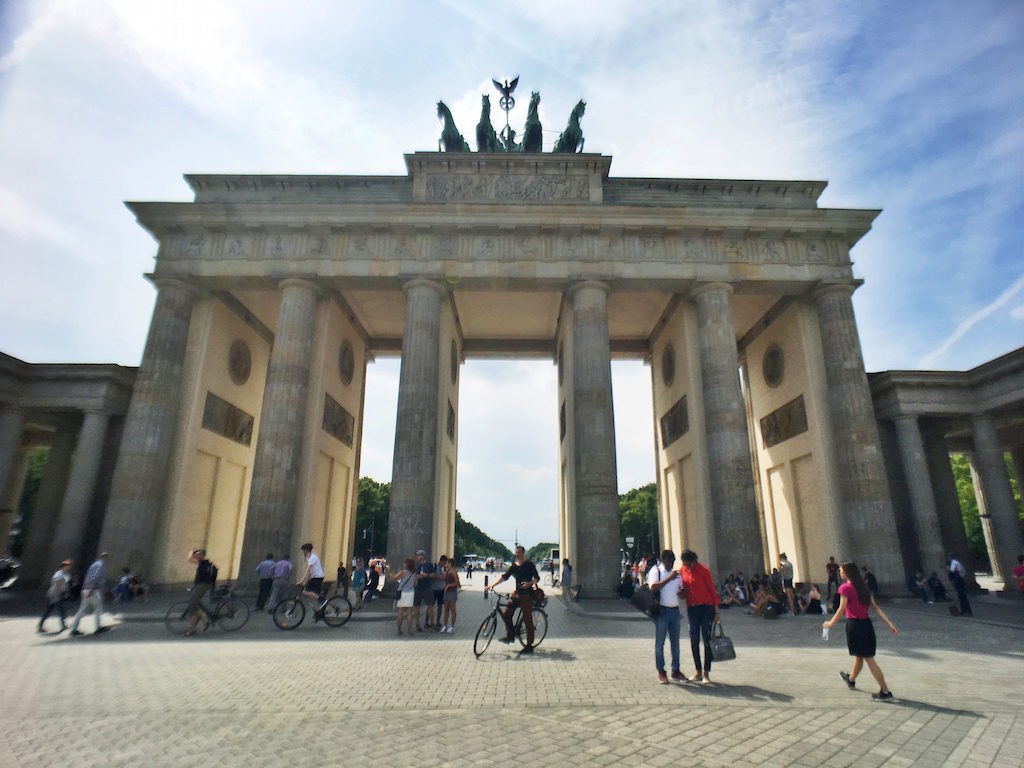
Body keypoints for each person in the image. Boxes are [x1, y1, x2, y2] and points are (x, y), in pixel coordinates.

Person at [823, 560, 898, 700]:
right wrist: (889, 622)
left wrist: (830, 623)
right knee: (860, 655)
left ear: (847, 572)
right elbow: (875, 607)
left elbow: (841, 609)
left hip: (855, 626)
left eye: (841, 570)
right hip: (866, 625)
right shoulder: (864, 587)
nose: (839, 571)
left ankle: (886, 692)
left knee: (869, 659)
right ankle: (851, 679)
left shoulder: (845, 588)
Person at [484, 545, 540, 654]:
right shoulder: (514, 566)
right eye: (516, 552)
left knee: (527, 619)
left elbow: (537, 578)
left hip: (527, 595)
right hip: (517, 594)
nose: (517, 554)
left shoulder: (529, 564)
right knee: (506, 614)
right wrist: (492, 585)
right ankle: (511, 636)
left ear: (523, 553)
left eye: (519, 552)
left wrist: (529, 584)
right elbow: (505, 577)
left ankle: (529, 646)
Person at [679, 549, 720, 683]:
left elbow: (712, 591)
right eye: (685, 564)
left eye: (688, 564)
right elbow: (681, 589)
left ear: (694, 561)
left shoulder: (704, 571)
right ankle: (698, 671)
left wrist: (717, 610)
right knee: (694, 639)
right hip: (692, 608)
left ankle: (707, 672)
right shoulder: (682, 571)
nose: (687, 567)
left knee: (707, 639)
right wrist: (680, 593)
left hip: (706, 608)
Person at [648, 549, 685, 684]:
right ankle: (661, 671)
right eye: (670, 561)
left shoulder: (678, 575)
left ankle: (675, 670)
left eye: (673, 561)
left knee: (675, 643)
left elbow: (681, 592)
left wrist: (682, 593)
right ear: (663, 560)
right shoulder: (656, 571)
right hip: (662, 612)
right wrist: (669, 578)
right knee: (660, 643)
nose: (672, 564)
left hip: (675, 611)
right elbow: (653, 587)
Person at [69, 552, 111, 636]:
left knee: (82, 609)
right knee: (98, 608)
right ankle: (98, 627)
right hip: (93, 590)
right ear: (104, 557)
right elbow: (95, 577)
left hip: (85, 589)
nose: (108, 559)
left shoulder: (93, 565)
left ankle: (73, 629)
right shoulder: (101, 565)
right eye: (107, 557)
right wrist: (91, 589)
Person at [185, 548, 218, 636]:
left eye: (198, 554)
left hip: (202, 585)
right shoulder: (202, 563)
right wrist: (193, 586)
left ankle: (205, 619)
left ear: (202, 555)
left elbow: (189, 559)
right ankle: (193, 628)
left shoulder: (204, 563)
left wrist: (192, 550)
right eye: (196, 554)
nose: (196, 556)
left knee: (192, 603)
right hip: (200, 585)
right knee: (196, 605)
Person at [39, 559, 72, 633]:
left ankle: (63, 625)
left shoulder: (66, 574)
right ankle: (40, 625)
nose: (68, 568)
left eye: (68, 566)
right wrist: (58, 593)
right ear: (64, 566)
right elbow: (56, 584)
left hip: (60, 594)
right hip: (55, 594)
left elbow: (65, 584)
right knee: (50, 610)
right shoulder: (59, 574)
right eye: (67, 566)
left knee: (60, 610)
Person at [385, 558, 416, 635]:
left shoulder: (403, 572)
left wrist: (389, 571)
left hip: (402, 593)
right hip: (411, 593)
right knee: (409, 613)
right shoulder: (414, 573)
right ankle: (409, 630)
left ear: (407, 565)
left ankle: (399, 630)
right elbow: (416, 584)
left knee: (400, 612)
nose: (403, 564)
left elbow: (394, 578)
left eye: (404, 563)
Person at [298, 543, 325, 620]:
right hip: (316, 577)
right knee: (315, 594)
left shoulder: (312, 558)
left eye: (303, 551)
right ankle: (320, 613)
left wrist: (301, 581)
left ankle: (322, 599)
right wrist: (305, 582)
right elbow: (309, 573)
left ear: (306, 550)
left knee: (305, 592)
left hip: (317, 577)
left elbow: (308, 570)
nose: (303, 553)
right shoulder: (311, 558)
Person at [413, 549, 437, 631]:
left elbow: (434, 575)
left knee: (430, 605)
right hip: (418, 588)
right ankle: (417, 624)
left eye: (418, 555)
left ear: (423, 556)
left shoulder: (429, 564)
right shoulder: (415, 565)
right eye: (417, 555)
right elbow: (412, 575)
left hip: (427, 587)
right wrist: (417, 577)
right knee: (417, 606)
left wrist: (427, 575)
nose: (417, 557)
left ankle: (432, 623)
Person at [441, 556, 461, 632]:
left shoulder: (453, 572)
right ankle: (445, 625)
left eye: (447, 563)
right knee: (446, 609)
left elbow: (457, 583)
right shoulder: (446, 572)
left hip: (452, 592)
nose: (445, 565)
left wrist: (449, 585)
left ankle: (452, 626)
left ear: (450, 564)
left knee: (452, 609)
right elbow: (442, 578)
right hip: (446, 592)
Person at [431, 556, 448, 631]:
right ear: (441, 561)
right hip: (434, 589)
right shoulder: (435, 566)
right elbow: (432, 577)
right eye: (444, 562)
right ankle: (428, 622)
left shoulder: (444, 568)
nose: (444, 564)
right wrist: (440, 577)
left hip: (441, 589)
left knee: (440, 605)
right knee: (430, 605)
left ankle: (438, 621)